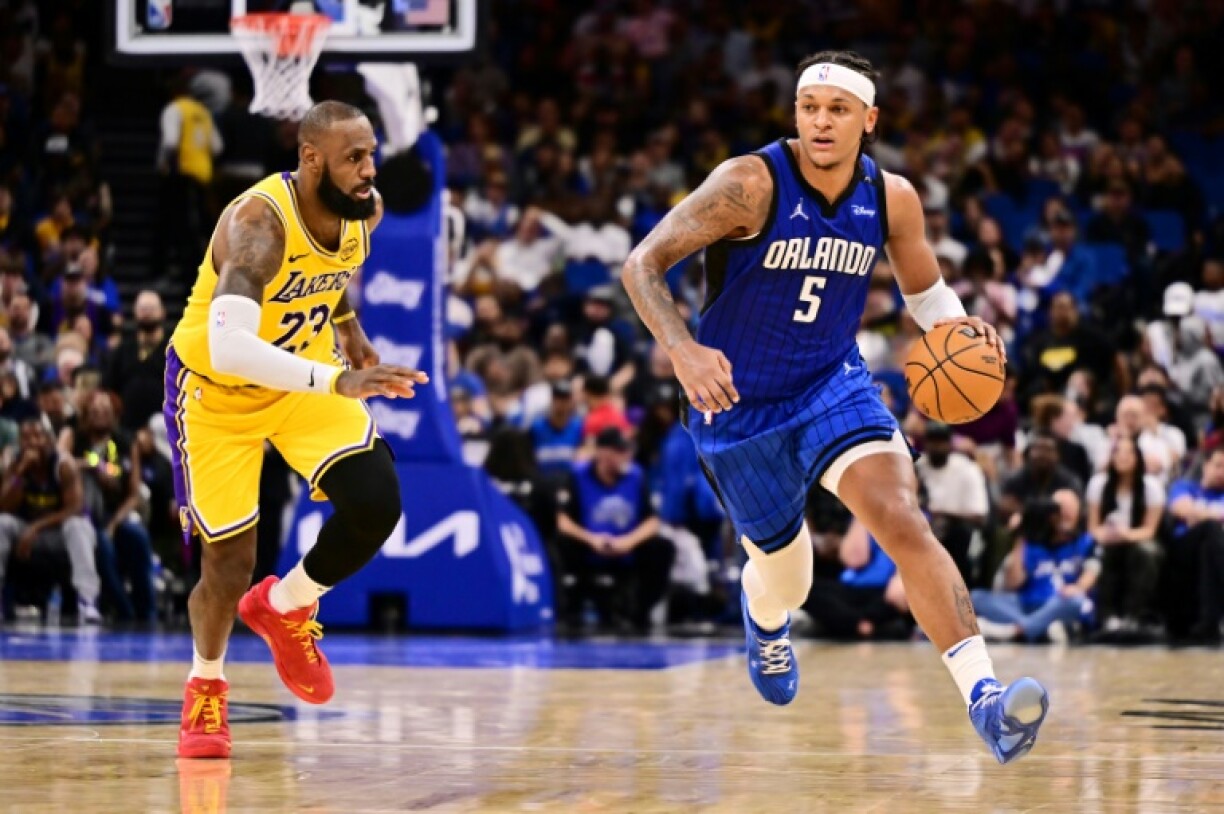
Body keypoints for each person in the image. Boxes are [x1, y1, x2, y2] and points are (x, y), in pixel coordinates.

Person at [621, 50, 1047, 763]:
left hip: (831, 384)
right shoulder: (748, 184)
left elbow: (927, 298)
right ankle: (763, 619)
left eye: (838, 109)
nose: (820, 121)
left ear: (868, 120)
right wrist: (682, 349)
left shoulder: (892, 198)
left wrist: (962, 332)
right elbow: (641, 265)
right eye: (809, 107)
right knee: (790, 580)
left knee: (903, 519)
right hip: (737, 406)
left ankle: (987, 702)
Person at [166, 101, 428, 759]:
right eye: (353, 158)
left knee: (376, 501)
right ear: (311, 159)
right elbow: (230, 349)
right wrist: (338, 380)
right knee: (229, 564)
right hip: (218, 392)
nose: (369, 170)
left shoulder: (363, 208)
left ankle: (286, 605)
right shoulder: (257, 224)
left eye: (370, 154)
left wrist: (349, 330)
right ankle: (206, 685)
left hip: (304, 370)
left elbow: (331, 272)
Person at [0, 417, 100, 622]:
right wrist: (21, 473)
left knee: (79, 526)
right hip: (26, 531)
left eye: (37, 436)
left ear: (48, 441)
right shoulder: (16, 464)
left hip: (59, 532)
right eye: (26, 438)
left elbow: (75, 508)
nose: (32, 442)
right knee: (2, 523)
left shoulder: (64, 465)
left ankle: (87, 601)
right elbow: (4, 507)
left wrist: (36, 527)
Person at [972, 489, 1099, 643]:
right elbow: (1013, 583)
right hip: (1027, 603)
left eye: (1070, 510)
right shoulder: (1032, 545)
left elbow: (1093, 571)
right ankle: (1038, 628)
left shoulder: (1085, 542)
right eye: (1060, 511)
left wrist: (1078, 587)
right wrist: (1020, 537)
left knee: (1076, 601)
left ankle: (1016, 630)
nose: (1065, 516)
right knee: (977, 597)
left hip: (1060, 603)